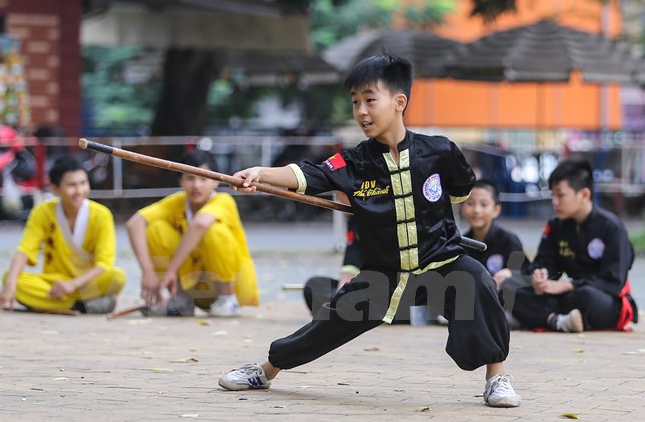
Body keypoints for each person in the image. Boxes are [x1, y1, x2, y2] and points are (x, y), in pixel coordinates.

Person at [218, 55, 521, 408]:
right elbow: (307, 174)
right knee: (330, 321)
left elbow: (461, 190)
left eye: (369, 99)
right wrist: (261, 173)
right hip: (385, 274)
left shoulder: (439, 151)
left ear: (399, 101)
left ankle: (496, 377)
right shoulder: (353, 162)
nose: (361, 111)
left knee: (478, 278)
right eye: (355, 102)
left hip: (442, 264)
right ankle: (265, 371)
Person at [126, 149, 259, 317]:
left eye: (204, 178)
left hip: (234, 284)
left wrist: (171, 271)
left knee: (214, 230)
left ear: (216, 182)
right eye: (190, 178)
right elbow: (134, 223)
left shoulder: (224, 201)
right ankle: (181, 298)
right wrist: (148, 272)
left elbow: (200, 224)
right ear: (180, 181)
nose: (196, 185)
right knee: (155, 229)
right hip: (197, 287)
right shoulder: (177, 202)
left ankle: (228, 299)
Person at [511, 158, 638, 333]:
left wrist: (569, 286)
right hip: (568, 295)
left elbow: (613, 281)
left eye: (560, 195)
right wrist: (541, 275)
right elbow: (545, 262)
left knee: (586, 296)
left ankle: (536, 316)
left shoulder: (612, 227)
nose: (554, 202)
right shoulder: (556, 226)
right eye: (552, 195)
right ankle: (556, 320)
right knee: (513, 289)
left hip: (603, 299)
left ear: (584, 194)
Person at [0, 155, 125, 314]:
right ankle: (80, 305)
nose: (80, 191)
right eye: (71, 185)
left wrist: (72, 285)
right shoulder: (43, 212)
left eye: (83, 183)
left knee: (117, 277)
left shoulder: (102, 215)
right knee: (10, 277)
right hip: (54, 282)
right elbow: (25, 250)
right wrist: (10, 286)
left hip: (86, 283)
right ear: (55, 189)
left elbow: (104, 263)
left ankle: (54, 304)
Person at [459, 179, 531, 325]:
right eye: (470, 203)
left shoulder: (508, 240)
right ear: (462, 208)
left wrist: (510, 273)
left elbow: (527, 273)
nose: (477, 210)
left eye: (484, 204)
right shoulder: (460, 243)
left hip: (505, 302)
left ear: (496, 210)